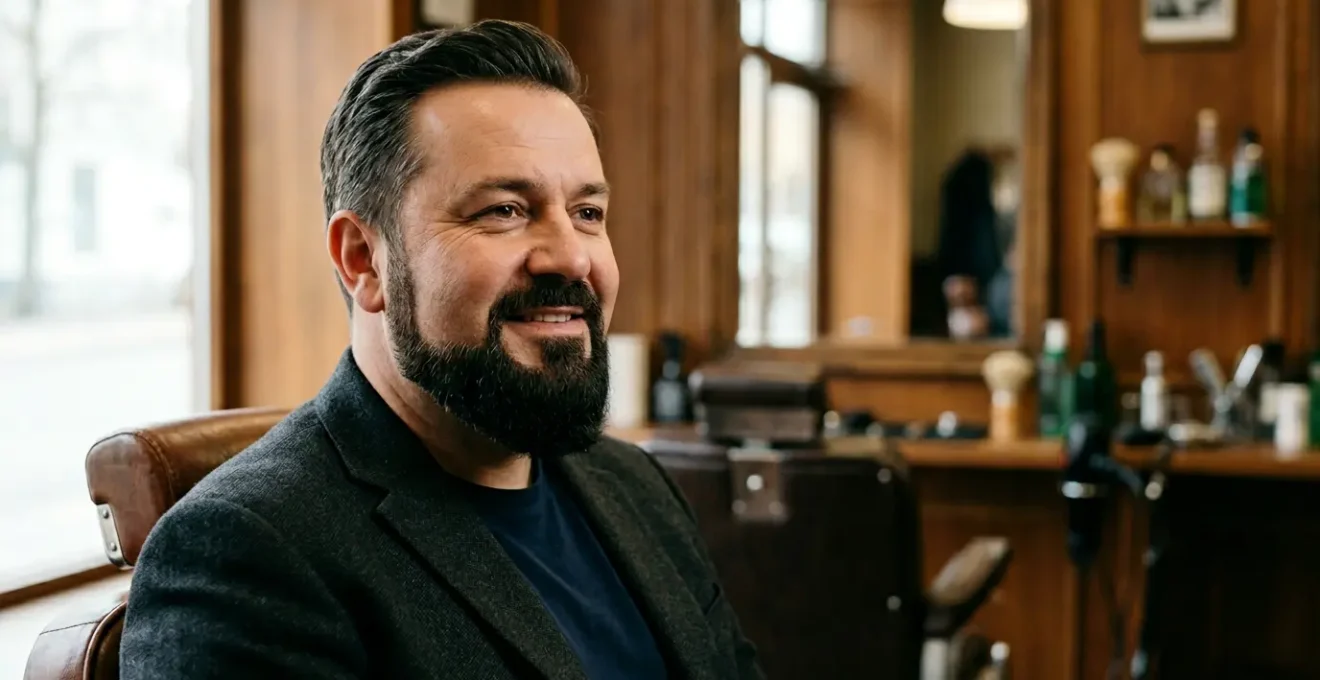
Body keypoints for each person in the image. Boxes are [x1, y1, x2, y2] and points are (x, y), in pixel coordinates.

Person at [119, 20, 762, 679]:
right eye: (505, 210)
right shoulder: (245, 555)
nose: (571, 256)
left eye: (588, 213)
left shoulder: (637, 486)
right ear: (363, 259)